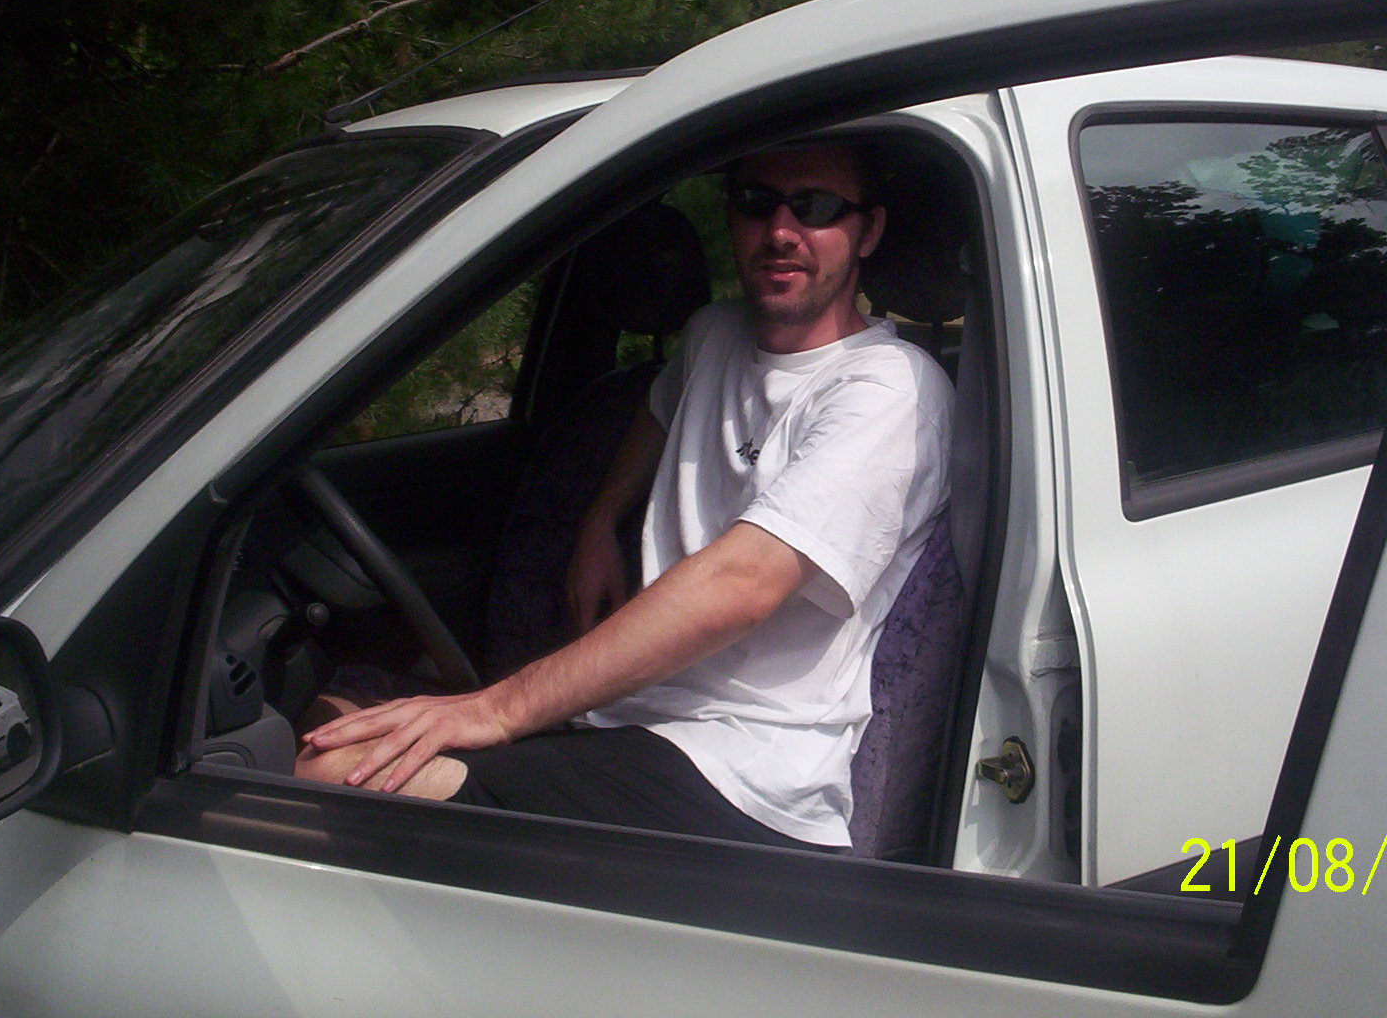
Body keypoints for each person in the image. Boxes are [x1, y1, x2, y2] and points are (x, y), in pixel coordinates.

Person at [298, 140, 954, 850]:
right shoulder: (713, 335)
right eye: (756, 202)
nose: (780, 231)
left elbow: (745, 581)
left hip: (748, 770)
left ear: (868, 230)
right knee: (323, 717)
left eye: (816, 207)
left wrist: (496, 709)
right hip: (629, 721)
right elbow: (659, 411)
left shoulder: (890, 388)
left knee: (330, 774)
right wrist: (601, 520)